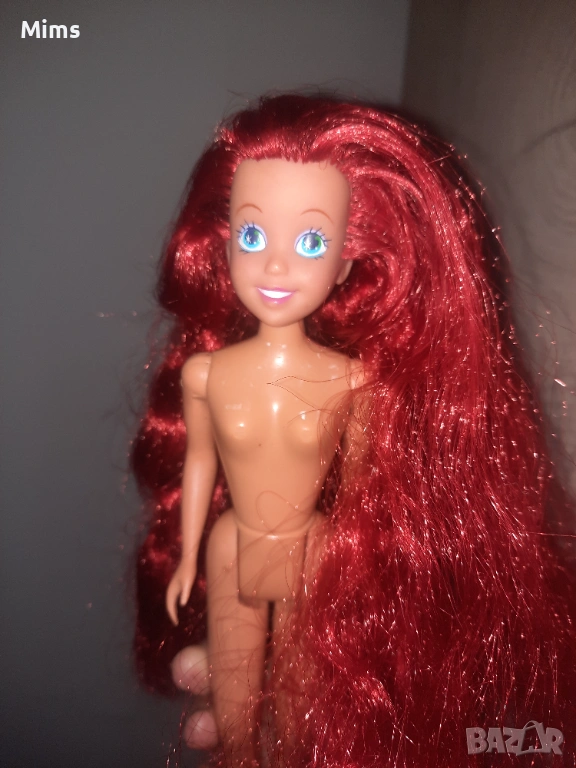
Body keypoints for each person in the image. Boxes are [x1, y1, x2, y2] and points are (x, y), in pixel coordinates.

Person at [133, 94, 576, 767]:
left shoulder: (350, 381)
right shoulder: (207, 375)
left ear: (343, 266)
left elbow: (368, 487)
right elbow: (199, 466)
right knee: (233, 718)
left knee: (300, 717)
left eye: (310, 242)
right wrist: (187, 556)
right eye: (252, 236)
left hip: (314, 554)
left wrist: (372, 576)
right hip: (230, 548)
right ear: (223, 247)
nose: (275, 267)